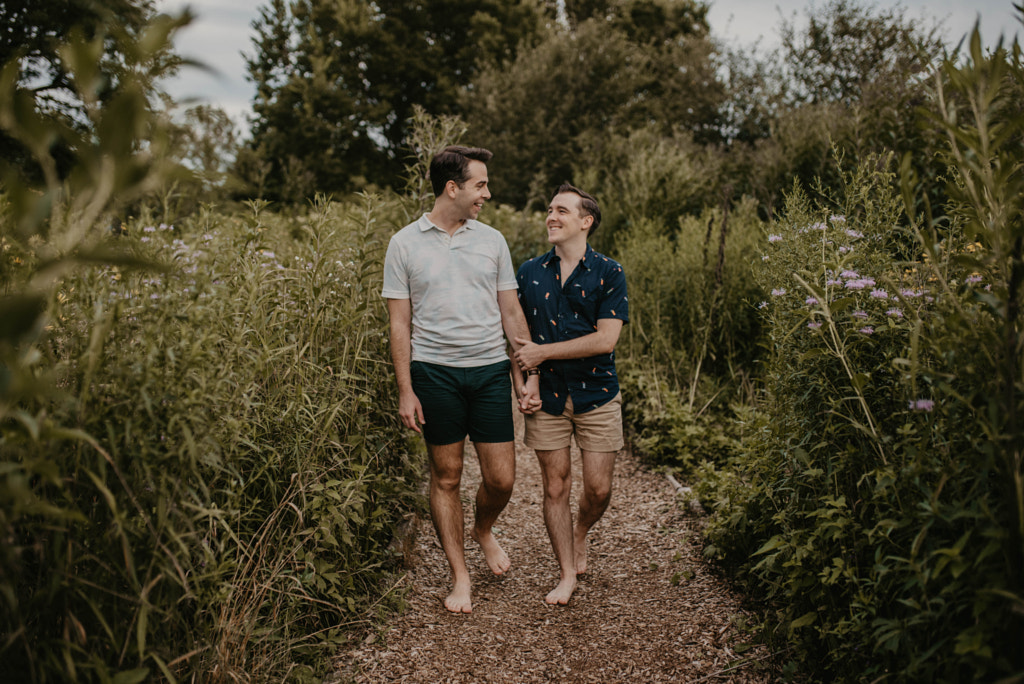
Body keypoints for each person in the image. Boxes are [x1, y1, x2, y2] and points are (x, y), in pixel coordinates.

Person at [382, 145, 538, 614]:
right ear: (453, 188)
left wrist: (524, 375)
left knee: (502, 479)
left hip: (489, 370)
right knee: (446, 476)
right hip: (434, 374)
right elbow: (399, 324)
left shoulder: (492, 241)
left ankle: (483, 528)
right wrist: (406, 389)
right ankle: (460, 575)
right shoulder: (403, 243)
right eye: (480, 185)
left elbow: (511, 311)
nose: (486, 194)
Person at [513, 183, 628, 605]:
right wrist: (523, 381)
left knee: (598, 490)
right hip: (548, 399)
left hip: (597, 393)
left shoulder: (609, 272)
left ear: (586, 221)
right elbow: (519, 339)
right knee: (555, 487)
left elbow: (605, 340)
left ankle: (581, 531)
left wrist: (543, 352)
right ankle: (565, 573)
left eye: (561, 210)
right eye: (548, 209)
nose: (551, 216)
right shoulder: (528, 272)